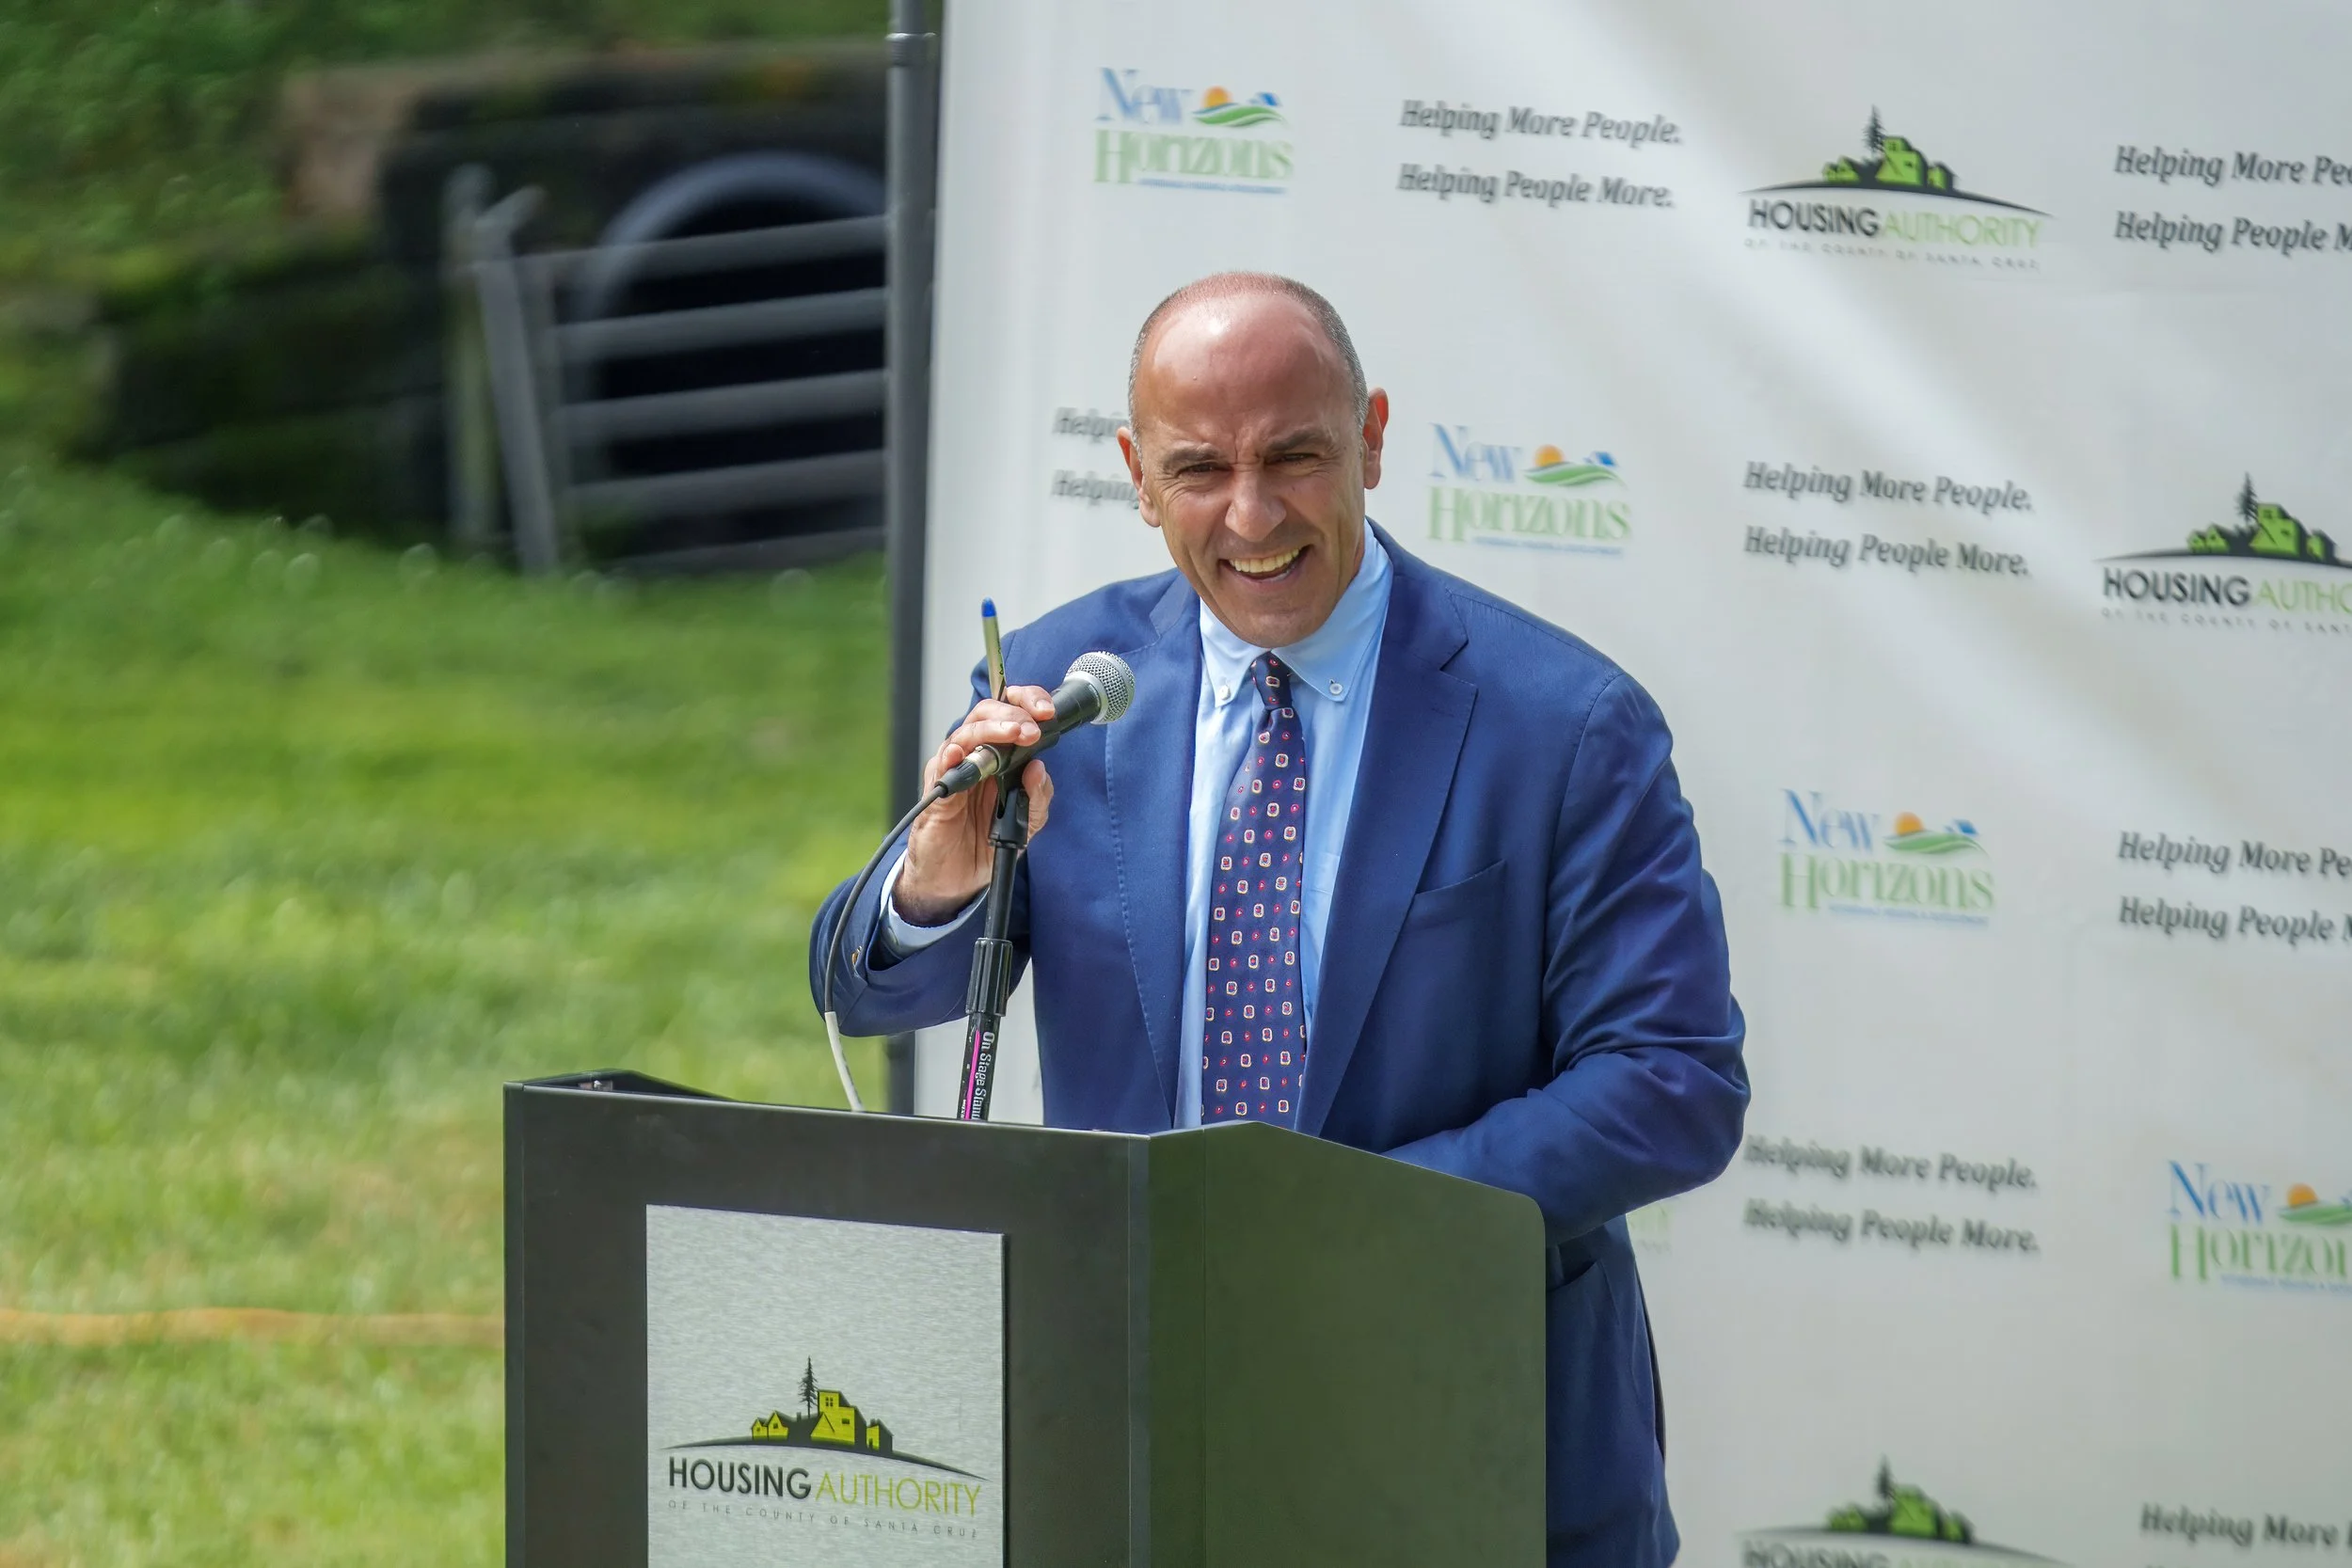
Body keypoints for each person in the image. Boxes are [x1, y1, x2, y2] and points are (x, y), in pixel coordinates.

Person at [811, 272, 1747, 1566]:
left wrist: (1328, 1230)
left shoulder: (1567, 724)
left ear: (1368, 437)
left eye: (1294, 456)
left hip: (1468, 1413)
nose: (1252, 515)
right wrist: (940, 872)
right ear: (1138, 475)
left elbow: (1671, 1082)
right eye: (1200, 469)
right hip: (1131, 1408)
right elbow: (871, 990)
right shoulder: (1063, 684)